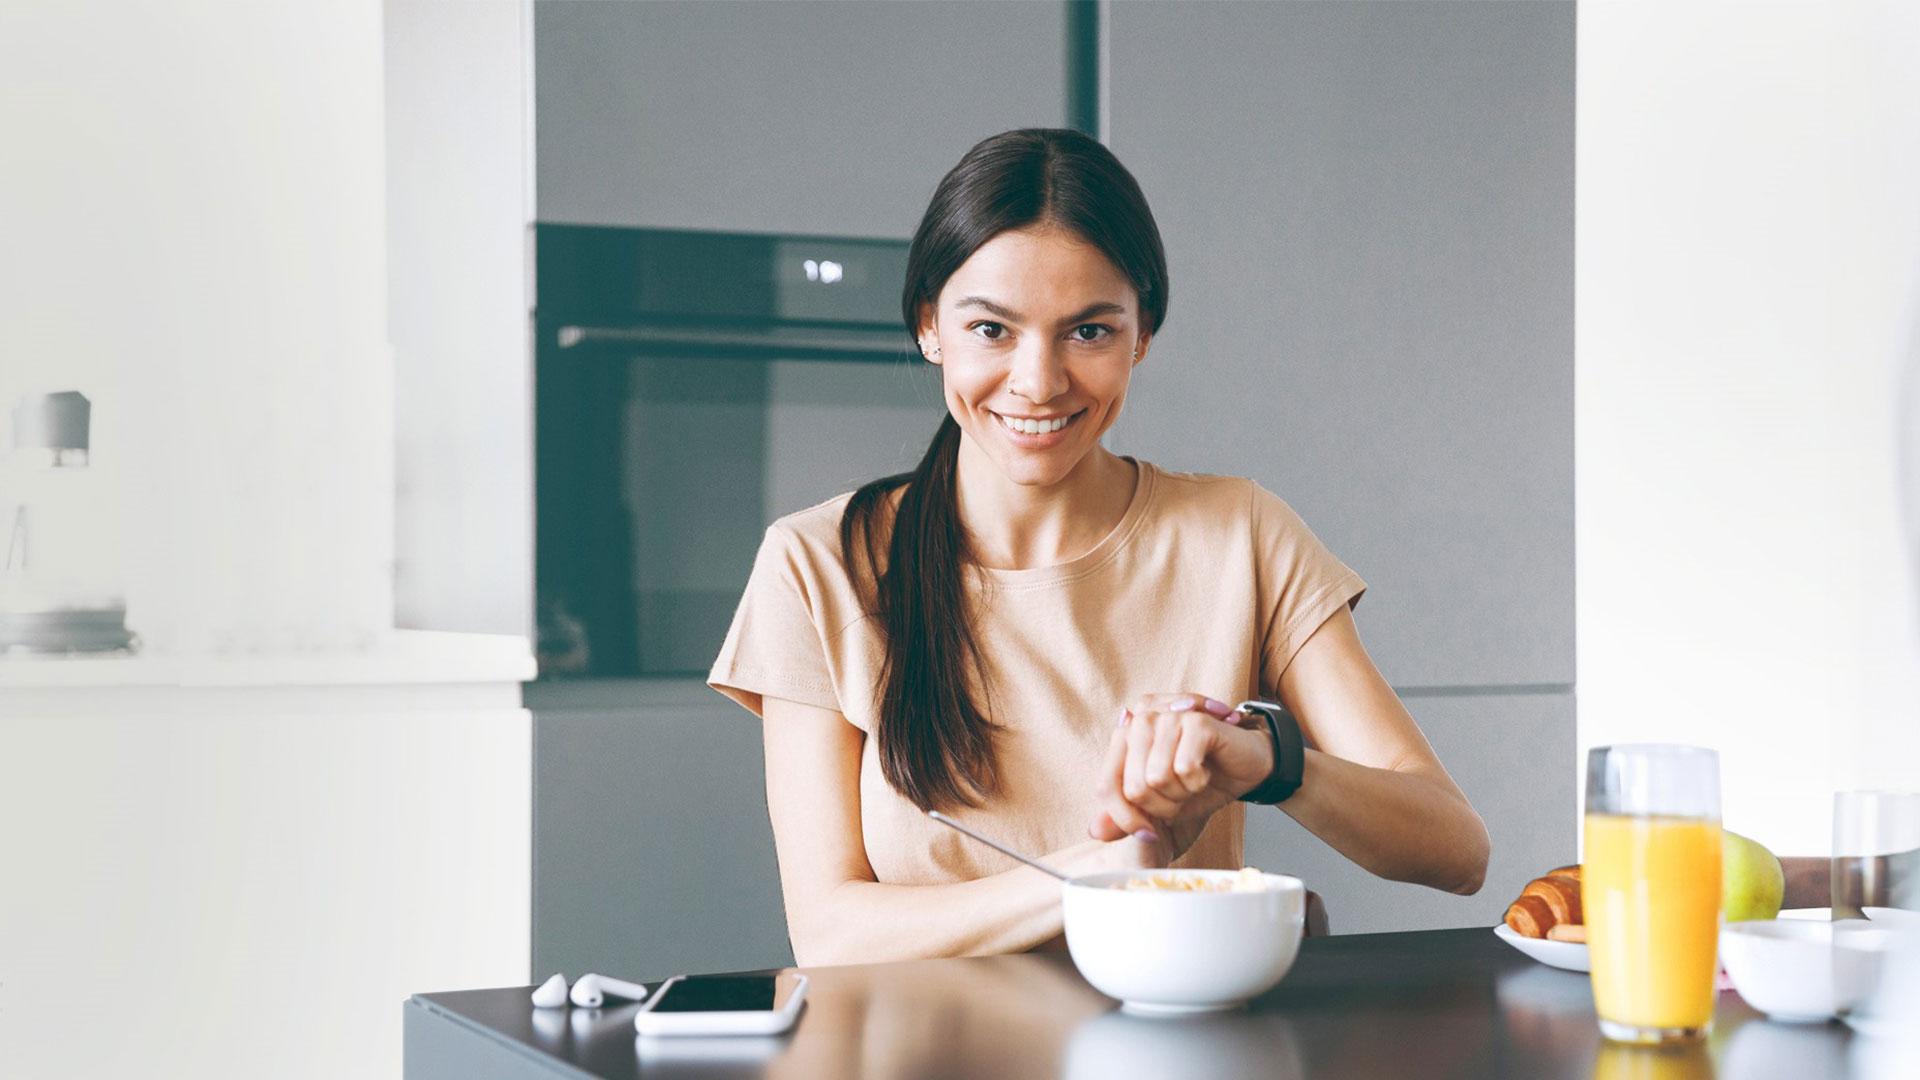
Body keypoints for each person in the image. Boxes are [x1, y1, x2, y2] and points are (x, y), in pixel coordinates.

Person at [709, 128, 1489, 966]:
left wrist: (1269, 763)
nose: (1039, 382)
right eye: (991, 330)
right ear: (930, 325)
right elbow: (828, 933)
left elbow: (1455, 850)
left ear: (1142, 334)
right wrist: (1096, 875)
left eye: (1088, 332)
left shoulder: (1242, 534)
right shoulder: (818, 563)